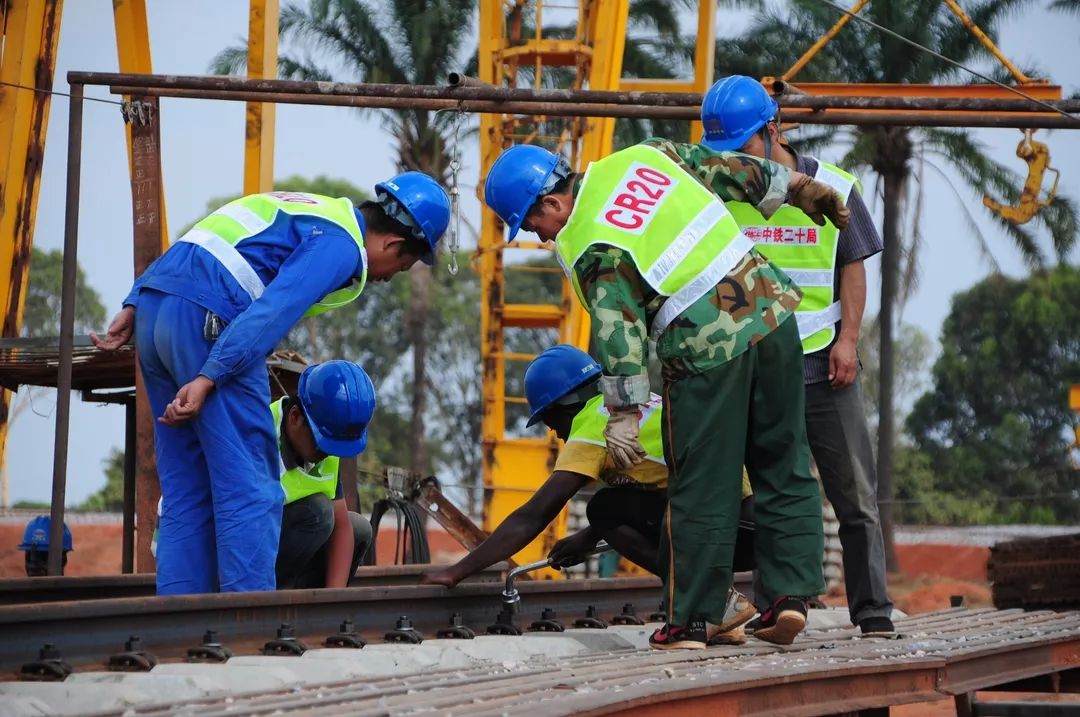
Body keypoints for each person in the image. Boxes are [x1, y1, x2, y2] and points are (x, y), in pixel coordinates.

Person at [484, 140, 847, 649]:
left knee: (701, 484)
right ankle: (790, 598)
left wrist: (623, 412)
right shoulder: (643, 157)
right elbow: (727, 168)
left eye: (531, 224)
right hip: (772, 312)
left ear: (553, 202)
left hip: (706, 347)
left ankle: (694, 621)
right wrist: (798, 187)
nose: (539, 235)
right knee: (783, 460)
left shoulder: (590, 243)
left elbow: (618, 329)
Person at [91, 175, 451, 595]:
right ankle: (249, 618)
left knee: (188, 489)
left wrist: (136, 300)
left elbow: (202, 237)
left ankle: (179, 617)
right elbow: (272, 312)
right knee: (251, 490)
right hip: (210, 323)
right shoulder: (341, 244)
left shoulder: (308, 210)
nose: (387, 278)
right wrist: (210, 376)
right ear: (392, 244)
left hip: (155, 310)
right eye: (401, 268)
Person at [701, 75, 895, 636]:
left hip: (823, 364)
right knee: (773, 490)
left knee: (855, 495)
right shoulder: (720, 193)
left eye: (742, 144)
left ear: (773, 129)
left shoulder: (836, 186)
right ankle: (779, 607)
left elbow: (852, 266)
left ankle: (873, 611)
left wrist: (849, 340)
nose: (736, 158)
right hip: (754, 366)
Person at [420, 344, 758, 641]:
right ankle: (722, 619)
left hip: (728, 530)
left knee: (602, 507)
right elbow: (655, 494)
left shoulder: (592, 425)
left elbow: (532, 517)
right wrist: (587, 538)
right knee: (611, 508)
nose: (558, 435)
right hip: (750, 526)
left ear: (564, 407)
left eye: (553, 425)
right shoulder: (633, 404)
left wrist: (457, 571)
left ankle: (712, 601)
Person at [274, 360, 375, 589]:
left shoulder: (326, 441)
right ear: (295, 417)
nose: (328, 454)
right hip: (254, 554)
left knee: (358, 528)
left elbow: (342, 526)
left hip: (292, 553)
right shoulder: (261, 435)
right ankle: (276, 597)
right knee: (318, 511)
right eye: (323, 445)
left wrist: (333, 600)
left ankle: (309, 603)